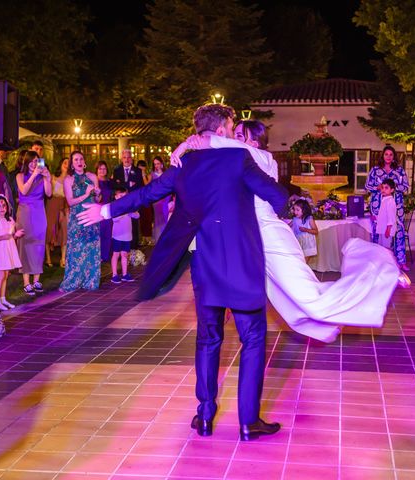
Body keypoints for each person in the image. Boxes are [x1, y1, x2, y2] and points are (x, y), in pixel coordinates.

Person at [77, 104, 288, 442]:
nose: (234, 133)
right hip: (242, 265)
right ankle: (248, 421)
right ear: (220, 130)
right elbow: (277, 195)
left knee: (208, 338)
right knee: (252, 339)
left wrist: (105, 210)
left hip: (205, 265)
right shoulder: (238, 160)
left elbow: (147, 194)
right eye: (231, 126)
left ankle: (205, 416)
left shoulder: (184, 166)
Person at [169, 119, 404, 344]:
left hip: (271, 237)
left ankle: (380, 268)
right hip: (251, 239)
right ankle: (327, 324)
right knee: (285, 302)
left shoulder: (263, 157)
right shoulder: (239, 160)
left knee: (310, 298)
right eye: (235, 135)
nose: (234, 139)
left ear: (255, 142)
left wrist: (187, 144)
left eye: (240, 136)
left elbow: (221, 144)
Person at [60, 151, 102, 292]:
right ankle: (74, 280)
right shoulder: (68, 180)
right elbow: (70, 202)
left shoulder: (92, 176)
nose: (79, 161)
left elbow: (98, 200)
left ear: (84, 161)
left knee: (91, 249)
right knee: (77, 249)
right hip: (77, 218)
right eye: (75, 159)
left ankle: (91, 280)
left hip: (92, 217)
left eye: (81, 159)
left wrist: (97, 194)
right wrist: (86, 194)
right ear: (72, 163)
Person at [366, 145, 410, 271]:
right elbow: (367, 185)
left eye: (391, 154)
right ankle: (378, 262)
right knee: (378, 233)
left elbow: (405, 186)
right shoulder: (375, 170)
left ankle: (400, 261)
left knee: (398, 232)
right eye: (386, 154)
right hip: (377, 206)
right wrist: (378, 187)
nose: (388, 157)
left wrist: (393, 187)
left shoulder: (400, 171)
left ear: (394, 156)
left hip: (395, 205)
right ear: (382, 155)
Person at [16, 150, 52, 295]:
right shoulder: (20, 176)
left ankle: (37, 279)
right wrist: (34, 175)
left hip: (39, 211)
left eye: (37, 161)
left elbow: (48, 194)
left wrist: (47, 178)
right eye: (31, 161)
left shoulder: (42, 176)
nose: (34, 164)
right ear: (26, 162)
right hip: (25, 212)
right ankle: (26, 281)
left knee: (38, 244)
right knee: (26, 243)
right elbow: (24, 191)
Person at [0, 194, 24, 311]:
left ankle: (2, 299)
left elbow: (11, 234)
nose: (2, 208)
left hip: (8, 249)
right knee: (0, 275)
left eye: (4, 205)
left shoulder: (10, 220)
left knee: (6, 275)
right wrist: (4, 237)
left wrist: (15, 235)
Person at [112, 149, 143, 249]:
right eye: (124, 157)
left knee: (133, 226)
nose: (126, 159)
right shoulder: (116, 171)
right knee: (120, 226)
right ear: (121, 158)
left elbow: (140, 188)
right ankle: (120, 249)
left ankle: (133, 250)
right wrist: (128, 184)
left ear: (132, 159)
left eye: (129, 157)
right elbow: (115, 187)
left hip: (133, 204)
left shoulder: (138, 171)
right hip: (120, 204)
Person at [109, 187, 139, 284]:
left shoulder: (129, 206)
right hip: (117, 235)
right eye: (120, 195)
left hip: (127, 234)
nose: (123, 197)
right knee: (116, 254)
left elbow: (137, 215)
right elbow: (114, 219)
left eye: (124, 196)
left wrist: (131, 212)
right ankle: (114, 275)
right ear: (116, 196)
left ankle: (125, 274)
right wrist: (125, 212)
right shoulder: (114, 206)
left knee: (125, 254)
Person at [45, 157, 69, 268]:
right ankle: (48, 258)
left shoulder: (71, 179)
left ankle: (63, 258)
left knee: (65, 230)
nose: (66, 164)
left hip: (65, 204)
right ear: (60, 164)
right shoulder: (53, 177)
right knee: (49, 229)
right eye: (65, 162)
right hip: (52, 203)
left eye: (69, 163)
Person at [96, 160, 114, 263]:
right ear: (97, 170)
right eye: (100, 168)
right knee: (99, 233)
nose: (102, 170)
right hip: (98, 210)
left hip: (109, 209)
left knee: (108, 232)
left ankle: (106, 255)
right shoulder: (94, 182)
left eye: (104, 169)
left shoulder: (110, 183)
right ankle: (98, 255)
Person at [289, 198, 318, 262]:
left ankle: (304, 271)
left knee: (304, 261)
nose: (295, 212)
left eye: (297, 210)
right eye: (294, 209)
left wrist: (306, 229)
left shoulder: (309, 219)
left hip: (307, 242)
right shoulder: (294, 219)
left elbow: (316, 231)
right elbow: (287, 227)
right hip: (298, 241)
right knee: (299, 260)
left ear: (304, 210)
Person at [151, 156, 171, 243]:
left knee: (165, 216)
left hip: (166, 198)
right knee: (158, 218)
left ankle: (165, 237)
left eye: (158, 163)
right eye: (155, 164)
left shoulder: (166, 173)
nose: (156, 166)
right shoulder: (152, 174)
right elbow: (150, 187)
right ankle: (158, 238)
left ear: (162, 164)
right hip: (156, 198)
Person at [376, 178, 397, 249]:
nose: (383, 190)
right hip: (382, 229)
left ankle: (387, 260)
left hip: (387, 230)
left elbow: (391, 217)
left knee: (386, 250)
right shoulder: (384, 200)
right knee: (381, 249)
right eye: (382, 188)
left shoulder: (390, 201)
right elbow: (383, 215)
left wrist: (388, 230)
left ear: (392, 190)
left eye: (386, 188)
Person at [136, 159, 154, 244]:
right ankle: (142, 238)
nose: (141, 168)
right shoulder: (136, 176)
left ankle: (148, 237)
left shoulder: (149, 175)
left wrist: (143, 175)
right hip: (139, 199)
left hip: (147, 199)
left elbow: (147, 185)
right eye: (140, 167)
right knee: (141, 219)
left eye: (143, 166)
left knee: (148, 218)